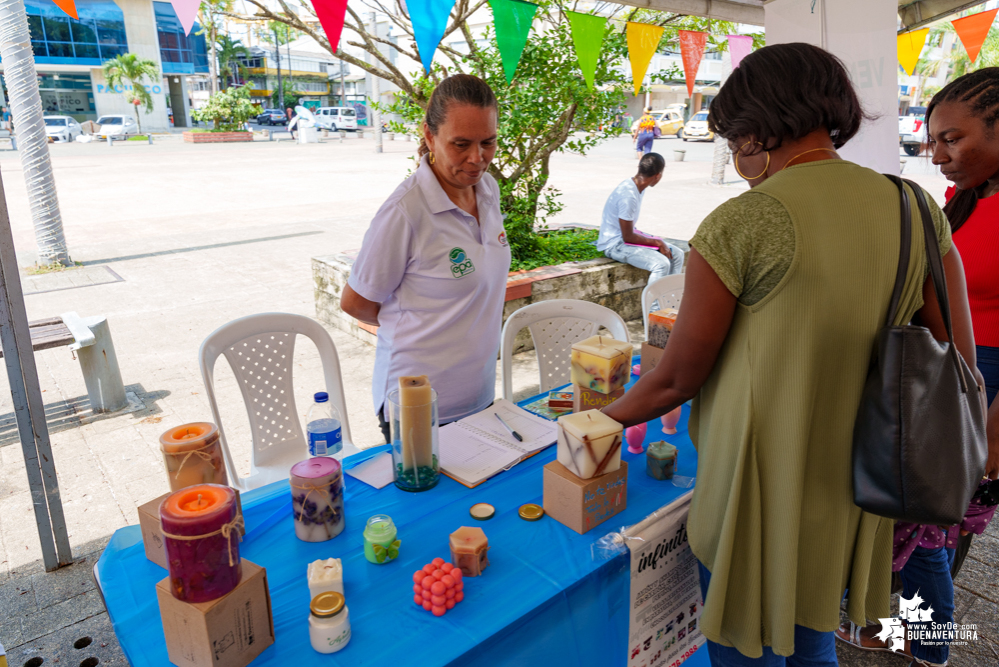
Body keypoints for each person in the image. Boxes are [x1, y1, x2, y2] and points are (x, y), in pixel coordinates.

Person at [602, 42, 982, 666]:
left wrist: (595, 420)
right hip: (860, 482)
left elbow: (675, 380)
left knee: (742, 644)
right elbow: (957, 358)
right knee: (812, 637)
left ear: (759, 127)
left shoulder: (743, 222)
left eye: (734, 136)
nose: (735, 150)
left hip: (757, 487)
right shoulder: (913, 207)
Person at [835, 67, 999, 667]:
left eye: (952, 140)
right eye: (933, 140)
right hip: (940, 373)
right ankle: (914, 631)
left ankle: (930, 644)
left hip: (977, 388)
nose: (937, 155)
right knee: (918, 516)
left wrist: (992, 434)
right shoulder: (965, 198)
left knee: (930, 520)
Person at [340, 74, 510, 443]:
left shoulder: (488, 190)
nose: (477, 159)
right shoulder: (406, 212)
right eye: (461, 144)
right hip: (417, 407)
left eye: (488, 142)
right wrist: (411, 321)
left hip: (479, 396)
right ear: (430, 136)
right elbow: (356, 302)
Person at [597, 153, 684, 286]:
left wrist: (657, 242)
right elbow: (628, 237)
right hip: (614, 245)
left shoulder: (636, 186)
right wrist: (658, 243)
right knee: (661, 264)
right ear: (658, 176)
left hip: (625, 239)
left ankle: (670, 300)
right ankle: (654, 307)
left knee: (677, 254)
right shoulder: (628, 196)